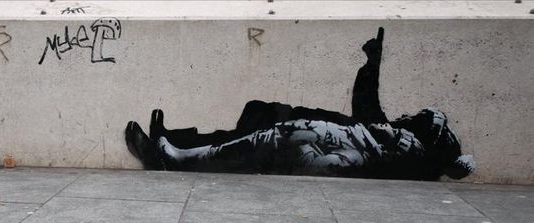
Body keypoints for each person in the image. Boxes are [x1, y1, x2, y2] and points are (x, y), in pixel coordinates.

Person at [125, 28, 475, 180]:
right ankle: (176, 142)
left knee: (250, 138)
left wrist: (371, 67)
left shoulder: (408, 146)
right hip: (313, 134)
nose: (409, 116)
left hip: (313, 145)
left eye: (419, 118)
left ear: (429, 133)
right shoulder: (404, 141)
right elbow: (369, 114)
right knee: (253, 120)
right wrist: (371, 65)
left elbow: (368, 118)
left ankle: (170, 156)